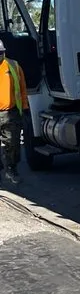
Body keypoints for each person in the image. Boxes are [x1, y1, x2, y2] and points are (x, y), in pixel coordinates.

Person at [0, 39, 28, 185]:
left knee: (13, 143)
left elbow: (22, 87)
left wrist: (24, 107)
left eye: (1, 53)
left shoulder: (13, 66)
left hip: (10, 113)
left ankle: (11, 168)